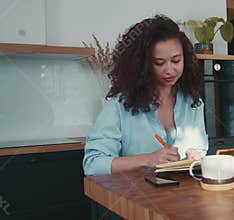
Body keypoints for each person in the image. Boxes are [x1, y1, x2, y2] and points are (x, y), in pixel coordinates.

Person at [83, 15, 208, 176]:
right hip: (134, 199)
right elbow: (93, 164)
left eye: (176, 61)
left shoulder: (192, 103)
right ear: (143, 65)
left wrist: (195, 156)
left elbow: (199, 150)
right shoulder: (119, 106)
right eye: (159, 63)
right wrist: (148, 159)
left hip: (182, 196)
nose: (169, 70)